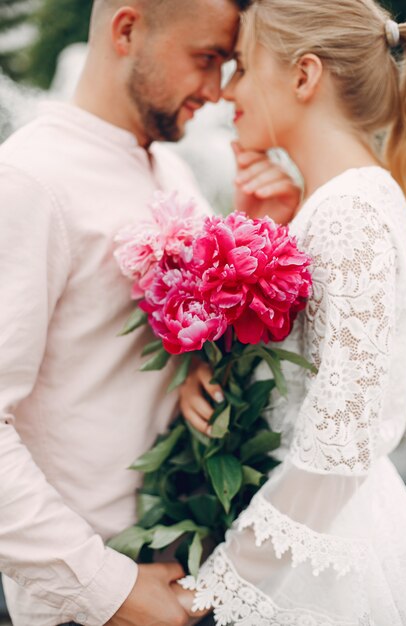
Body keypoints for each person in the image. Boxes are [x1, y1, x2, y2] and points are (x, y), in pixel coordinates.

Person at [0, 1, 300, 625]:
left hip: (186, 567)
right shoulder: (29, 181)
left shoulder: (171, 170)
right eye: (205, 60)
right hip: (90, 602)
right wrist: (107, 589)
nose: (217, 92)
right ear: (127, 29)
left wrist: (200, 359)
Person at [177, 0, 406, 623]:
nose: (229, 91)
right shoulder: (331, 204)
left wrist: (220, 583)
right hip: (305, 530)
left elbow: (342, 442)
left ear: (304, 76)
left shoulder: (350, 213)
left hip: (323, 551)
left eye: (243, 68)